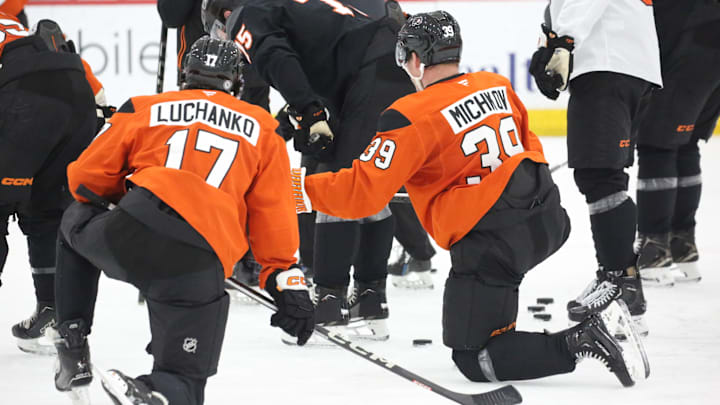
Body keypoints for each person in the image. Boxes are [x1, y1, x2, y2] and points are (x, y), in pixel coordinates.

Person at [291, 11, 648, 387]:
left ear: (413, 59)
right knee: (491, 319)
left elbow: (359, 194)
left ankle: (583, 339)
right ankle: (505, 321)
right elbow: (527, 149)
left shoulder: (409, 115)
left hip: (492, 245)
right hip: (546, 220)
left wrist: (295, 190)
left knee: (476, 359)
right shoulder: (496, 86)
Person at [51, 37, 314, 405]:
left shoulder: (145, 106)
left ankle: (72, 340)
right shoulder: (263, 128)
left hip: (132, 231)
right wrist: (286, 282)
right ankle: (152, 392)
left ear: (184, 74)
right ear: (237, 82)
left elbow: (84, 180)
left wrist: (122, 192)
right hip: (199, 260)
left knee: (75, 220)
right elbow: (274, 213)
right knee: (184, 381)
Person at [202, 0, 415, 339]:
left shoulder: (247, 11)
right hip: (395, 63)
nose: (228, 41)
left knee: (335, 185)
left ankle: (330, 302)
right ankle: (371, 300)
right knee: (367, 183)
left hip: (367, 72)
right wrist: (302, 112)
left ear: (226, 14)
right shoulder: (301, 11)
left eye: (219, 30)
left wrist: (310, 111)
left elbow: (275, 57)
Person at [529, 0, 662, 334]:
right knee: (603, 176)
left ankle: (621, 287)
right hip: (621, 64)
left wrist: (563, 43)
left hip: (608, 65)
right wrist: (549, 43)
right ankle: (619, 282)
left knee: (601, 177)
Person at [0, 16, 99, 355]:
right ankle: (54, 312)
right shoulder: (11, 22)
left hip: (25, 102)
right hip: (77, 94)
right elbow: (90, 82)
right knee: (46, 209)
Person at [634, 0, 720, 285]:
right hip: (708, 39)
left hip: (691, 40)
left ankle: (654, 250)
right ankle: (681, 245)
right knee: (685, 142)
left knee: (656, 145)